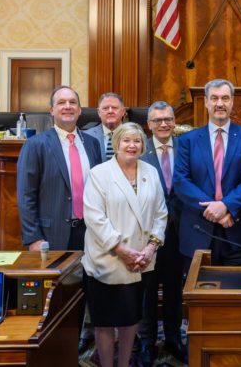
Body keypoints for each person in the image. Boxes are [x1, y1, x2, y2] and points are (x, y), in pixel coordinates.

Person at [82, 122, 168, 367]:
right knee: (105, 322)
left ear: (143, 145)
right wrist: (121, 250)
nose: (132, 145)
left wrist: (150, 248)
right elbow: (94, 217)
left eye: (137, 141)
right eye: (126, 140)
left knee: (131, 319)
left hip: (141, 260)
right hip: (109, 259)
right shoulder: (99, 173)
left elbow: (161, 213)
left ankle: (124, 363)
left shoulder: (151, 172)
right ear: (116, 143)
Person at [175, 79, 241, 267]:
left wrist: (226, 205)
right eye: (214, 98)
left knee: (237, 286)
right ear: (206, 102)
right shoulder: (187, 140)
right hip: (198, 230)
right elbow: (181, 181)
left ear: (232, 102)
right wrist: (215, 210)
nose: (220, 103)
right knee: (197, 286)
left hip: (237, 228)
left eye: (225, 98)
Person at [18, 85, 102, 251]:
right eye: (61, 102)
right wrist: (33, 238)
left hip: (91, 232)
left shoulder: (92, 143)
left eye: (73, 102)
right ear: (52, 110)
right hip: (51, 235)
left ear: (79, 110)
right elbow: (26, 195)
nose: (68, 106)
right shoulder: (35, 145)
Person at [137, 101, 185, 365]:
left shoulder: (186, 147)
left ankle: (173, 338)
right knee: (147, 290)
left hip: (180, 232)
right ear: (149, 124)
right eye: (157, 120)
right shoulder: (138, 149)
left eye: (168, 119)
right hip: (147, 234)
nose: (163, 124)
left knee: (175, 289)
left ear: (174, 121)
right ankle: (146, 341)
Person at [85, 92, 127, 162]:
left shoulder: (137, 135)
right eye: (105, 108)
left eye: (114, 108)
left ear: (123, 111)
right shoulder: (86, 137)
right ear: (99, 112)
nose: (110, 111)